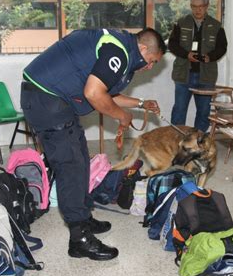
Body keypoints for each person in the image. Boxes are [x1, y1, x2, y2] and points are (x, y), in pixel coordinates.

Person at [20, 28, 166, 261]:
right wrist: (121, 116)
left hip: (53, 100)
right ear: (144, 49)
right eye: (151, 61)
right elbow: (94, 93)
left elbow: (107, 92)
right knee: (71, 166)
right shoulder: (118, 51)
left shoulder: (121, 47)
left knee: (80, 159)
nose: (149, 67)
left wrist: (140, 103)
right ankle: (80, 239)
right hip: (45, 99)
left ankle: (84, 215)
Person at [168, 0, 228, 132]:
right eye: (194, 6)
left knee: (203, 112)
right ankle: (176, 141)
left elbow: (222, 47)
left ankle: (198, 143)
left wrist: (210, 57)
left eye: (200, 7)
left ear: (207, 6)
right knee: (179, 110)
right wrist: (185, 54)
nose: (197, 10)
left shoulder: (216, 26)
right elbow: (172, 44)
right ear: (190, 6)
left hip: (206, 77)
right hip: (184, 75)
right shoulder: (181, 23)